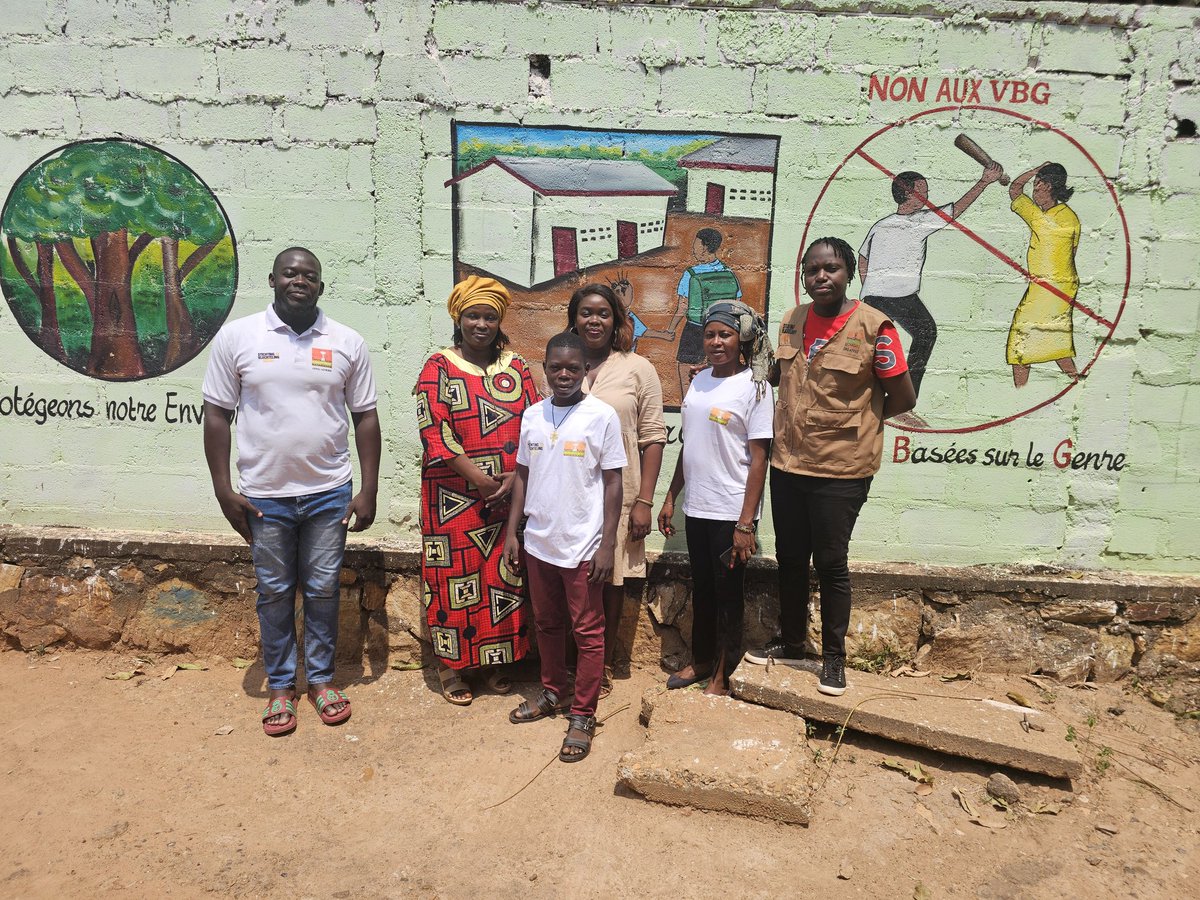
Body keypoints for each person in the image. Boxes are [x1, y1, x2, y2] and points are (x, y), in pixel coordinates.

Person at [202, 247, 381, 736]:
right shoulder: (238, 337)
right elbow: (217, 414)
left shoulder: (347, 341)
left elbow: (365, 417)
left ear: (321, 286)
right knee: (275, 591)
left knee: (323, 589)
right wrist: (223, 489)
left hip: (328, 490)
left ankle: (321, 680)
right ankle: (281, 686)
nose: (299, 280)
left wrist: (368, 489)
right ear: (273, 280)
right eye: (290, 273)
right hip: (264, 494)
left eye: (309, 275)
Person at [744, 237, 916, 696]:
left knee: (832, 563)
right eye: (813, 270)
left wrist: (851, 423)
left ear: (848, 275)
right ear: (804, 276)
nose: (822, 277)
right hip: (788, 462)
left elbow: (902, 397)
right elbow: (780, 377)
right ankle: (794, 641)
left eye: (832, 268)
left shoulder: (874, 327)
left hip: (841, 469)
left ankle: (834, 659)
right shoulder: (792, 321)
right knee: (791, 558)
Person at [415, 276, 539, 705]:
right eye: (473, 316)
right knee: (452, 577)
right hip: (453, 500)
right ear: (459, 318)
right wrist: (482, 480)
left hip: (509, 495)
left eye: (489, 316)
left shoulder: (516, 366)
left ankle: (496, 662)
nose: (481, 324)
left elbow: (535, 421)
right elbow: (435, 432)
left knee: (504, 576)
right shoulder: (439, 367)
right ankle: (452, 667)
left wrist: (513, 478)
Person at [504, 331, 625, 763]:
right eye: (556, 367)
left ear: (586, 370)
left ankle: (583, 714)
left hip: (582, 546)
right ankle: (553, 691)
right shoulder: (533, 416)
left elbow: (613, 483)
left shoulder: (601, 416)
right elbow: (522, 476)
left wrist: (607, 544)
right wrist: (511, 533)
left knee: (588, 633)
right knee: (547, 624)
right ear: (545, 368)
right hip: (539, 543)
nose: (564, 375)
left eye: (573, 368)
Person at [657, 300, 773, 696]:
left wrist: (745, 523)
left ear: (740, 338)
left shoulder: (756, 388)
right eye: (710, 334)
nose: (716, 341)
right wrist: (672, 496)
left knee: (728, 596)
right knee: (703, 591)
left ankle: (723, 674)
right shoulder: (700, 381)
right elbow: (691, 446)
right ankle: (702, 661)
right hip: (698, 507)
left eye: (725, 334)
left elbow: (759, 460)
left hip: (731, 512)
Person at [567, 283, 666, 699]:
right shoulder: (561, 363)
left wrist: (644, 500)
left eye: (603, 313)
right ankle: (571, 661)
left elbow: (653, 436)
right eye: (586, 313)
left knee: (610, 579)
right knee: (571, 574)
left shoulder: (637, 368)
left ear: (617, 320)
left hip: (620, 491)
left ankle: (600, 665)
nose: (594, 320)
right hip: (570, 491)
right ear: (573, 319)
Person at [858, 164, 1003, 398]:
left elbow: (862, 257)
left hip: (875, 296)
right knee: (925, 333)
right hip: (899, 296)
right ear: (907, 194)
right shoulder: (919, 223)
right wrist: (984, 182)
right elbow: (957, 209)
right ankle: (905, 395)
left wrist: (867, 287)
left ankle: (873, 392)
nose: (927, 197)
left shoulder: (880, 225)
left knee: (872, 344)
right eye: (923, 193)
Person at [1006, 162, 1081, 388]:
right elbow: (1073, 253)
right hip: (1063, 287)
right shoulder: (1070, 217)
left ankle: (1018, 396)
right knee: (1058, 345)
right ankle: (1078, 383)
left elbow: (1014, 189)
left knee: (1019, 349)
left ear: (1045, 185)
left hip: (1045, 291)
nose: (1033, 189)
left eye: (1036, 184)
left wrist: (1036, 168)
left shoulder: (1041, 219)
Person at [654, 228, 742, 400]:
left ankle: (690, 407)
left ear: (704, 247)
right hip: (724, 332)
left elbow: (682, 307)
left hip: (695, 330)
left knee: (687, 372)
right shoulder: (729, 273)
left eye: (696, 244)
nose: (694, 249)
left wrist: (670, 330)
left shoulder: (691, 274)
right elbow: (737, 304)